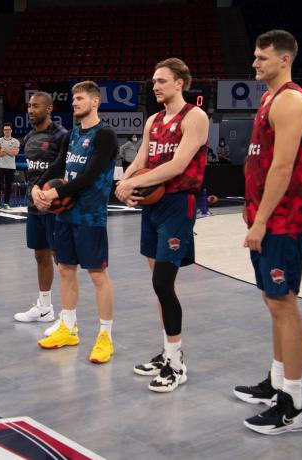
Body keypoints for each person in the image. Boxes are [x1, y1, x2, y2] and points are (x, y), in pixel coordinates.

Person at [235, 29, 302, 435]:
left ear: (284, 59)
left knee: (284, 304)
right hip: (266, 217)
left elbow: (282, 168)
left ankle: (294, 404)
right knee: (274, 302)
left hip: (282, 221)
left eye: (262, 57)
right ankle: (278, 382)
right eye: (254, 56)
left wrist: (262, 219)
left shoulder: (291, 101)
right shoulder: (269, 99)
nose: (254, 63)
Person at [115, 58, 208, 392]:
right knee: (158, 285)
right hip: (151, 205)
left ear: (180, 82)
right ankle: (168, 350)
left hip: (177, 205)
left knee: (163, 283)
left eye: (162, 81)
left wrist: (133, 184)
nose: (155, 86)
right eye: (153, 81)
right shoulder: (153, 120)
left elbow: (178, 164)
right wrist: (123, 183)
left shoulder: (195, 117)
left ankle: (177, 364)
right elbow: (141, 160)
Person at [32, 80, 118, 364]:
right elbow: (59, 165)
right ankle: (68, 328)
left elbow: (89, 176)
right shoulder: (71, 135)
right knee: (66, 269)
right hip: (65, 214)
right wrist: (38, 186)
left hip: (91, 215)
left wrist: (54, 192)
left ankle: (105, 336)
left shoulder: (105, 135)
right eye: (73, 99)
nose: (75, 103)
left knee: (97, 275)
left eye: (80, 98)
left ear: (95, 102)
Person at [14, 92, 67, 325]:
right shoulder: (28, 137)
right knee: (40, 255)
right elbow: (33, 172)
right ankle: (45, 308)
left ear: (49, 109)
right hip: (34, 206)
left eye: (36, 106)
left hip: (55, 207)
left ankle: (67, 314)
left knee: (62, 259)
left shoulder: (61, 136)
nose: (30, 110)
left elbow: (64, 171)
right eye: (29, 106)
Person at [0, 123, 20, 209]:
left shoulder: (16, 141)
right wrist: (9, 151)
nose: (7, 131)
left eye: (8, 129)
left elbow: (15, 153)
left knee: (9, 186)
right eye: (5, 130)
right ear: (3, 131)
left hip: (11, 167)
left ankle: (6, 204)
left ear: (11, 130)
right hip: (0, 166)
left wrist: (4, 149)